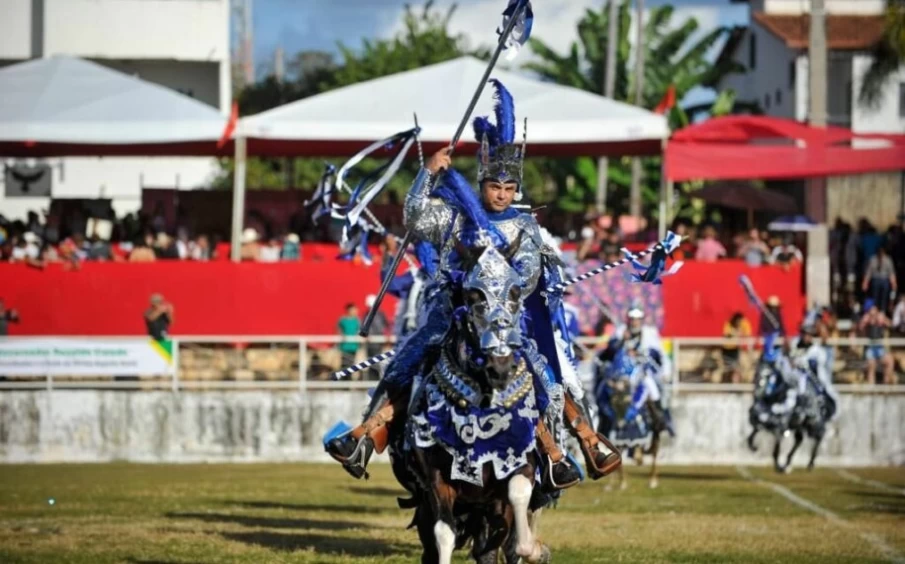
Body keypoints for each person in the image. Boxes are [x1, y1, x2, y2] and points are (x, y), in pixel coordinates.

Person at [325, 80, 620, 489]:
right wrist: (427, 175)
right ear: (481, 185)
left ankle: (570, 448)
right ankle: (364, 436)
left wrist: (492, 283)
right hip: (453, 315)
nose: (501, 194)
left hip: (510, 321)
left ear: (517, 189)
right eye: (494, 186)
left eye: (508, 188)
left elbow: (529, 273)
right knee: (406, 361)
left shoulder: (525, 226)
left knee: (552, 375)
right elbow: (413, 218)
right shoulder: (452, 216)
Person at [858, 300, 894, 384]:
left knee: (889, 362)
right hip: (870, 347)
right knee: (871, 366)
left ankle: (886, 386)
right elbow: (860, 329)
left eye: (873, 308)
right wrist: (865, 322)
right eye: (870, 309)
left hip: (879, 347)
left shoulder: (880, 317)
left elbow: (891, 325)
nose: (872, 311)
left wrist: (884, 320)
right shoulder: (866, 318)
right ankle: (872, 390)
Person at [862, 246, 897, 315]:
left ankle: (883, 310)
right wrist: (865, 283)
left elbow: (891, 273)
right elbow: (868, 272)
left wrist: (894, 283)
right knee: (875, 291)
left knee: (885, 290)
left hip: (885, 279)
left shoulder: (888, 260)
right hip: (875, 279)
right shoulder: (873, 260)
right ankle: (875, 309)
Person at [722, 312, 752, 383]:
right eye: (738, 321)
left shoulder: (743, 323)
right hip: (727, 349)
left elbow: (748, 333)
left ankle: (735, 384)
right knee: (728, 368)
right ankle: (727, 384)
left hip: (735, 349)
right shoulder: (728, 324)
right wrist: (736, 333)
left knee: (736, 368)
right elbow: (727, 333)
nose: (739, 322)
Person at [337, 303, 361, 369]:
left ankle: (349, 378)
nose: (355, 311)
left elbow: (359, 331)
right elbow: (338, 330)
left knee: (351, 365)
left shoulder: (357, 320)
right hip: (344, 346)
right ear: (348, 310)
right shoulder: (342, 320)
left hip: (354, 346)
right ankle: (344, 378)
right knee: (344, 364)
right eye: (353, 310)